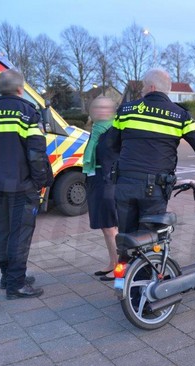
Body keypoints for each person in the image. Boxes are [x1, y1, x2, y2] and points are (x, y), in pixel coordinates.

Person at [112, 68, 195, 234]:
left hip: (124, 184)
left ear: (151, 88)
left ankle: (125, 259)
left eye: (144, 87)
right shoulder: (179, 115)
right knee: (150, 239)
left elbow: (110, 146)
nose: (142, 91)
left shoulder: (125, 111)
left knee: (126, 238)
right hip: (154, 189)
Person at [0, 69, 53, 299]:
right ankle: (17, 285)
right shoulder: (27, 113)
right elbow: (36, 153)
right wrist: (39, 181)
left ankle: (8, 277)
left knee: (3, 232)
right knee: (20, 235)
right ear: (20, 89)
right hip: (22, 187)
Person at [83, 96, 119, 281]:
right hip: (96, 179)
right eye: (96, 107)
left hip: (107, 182)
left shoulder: (113, 129)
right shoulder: (97, 129)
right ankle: (113, 263)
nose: (99, 111)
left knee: (111, 226)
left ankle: (121, 266)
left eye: (104, 108)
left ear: (112, 111)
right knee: (106, 227)